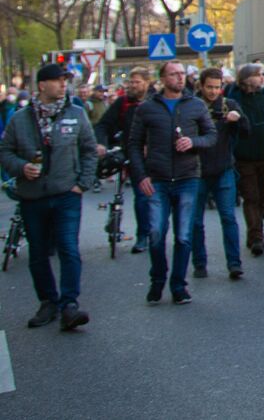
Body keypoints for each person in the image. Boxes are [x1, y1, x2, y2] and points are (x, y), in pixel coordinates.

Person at [0, 63, 97, 331]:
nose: (63, 84)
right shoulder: (20, 118)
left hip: (67, 193)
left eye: (65, 80)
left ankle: (69, 305)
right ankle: (48, 302)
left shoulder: (76, 114)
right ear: (42, 85)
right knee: (38, 253)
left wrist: (83, 183)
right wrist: (21, 167)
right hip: (32, 196)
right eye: (57, 80)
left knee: (68, 247)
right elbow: (5, 151)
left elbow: (89, 150)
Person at [128, 60, 217, 305]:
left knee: (184, 236)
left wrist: (193, 142)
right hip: (157, 178)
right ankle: (157, 280)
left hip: (188, 176)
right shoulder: (147, 108)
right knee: (156, 233)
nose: (179, 78)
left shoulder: (195, 105)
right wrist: (140, 176)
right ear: (163, 78)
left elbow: (211, 136)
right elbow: (134, 144)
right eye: (173, 74)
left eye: (181, 74)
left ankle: (179, 285)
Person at [192, 67, 247, 281]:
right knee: (196, 221)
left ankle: (234, 263)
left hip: (223, 168)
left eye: (217, 87)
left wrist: (238, 120)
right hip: (196, 171)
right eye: (209, 87)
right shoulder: (192, 106)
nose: (213, 92)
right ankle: (199, 263)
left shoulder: (229, 105)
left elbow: (246, 131)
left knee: (228, 218)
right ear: (201, 85)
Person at [228, 63, 264, 256]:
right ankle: (255, 237)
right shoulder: (234, 98)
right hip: (244, 157)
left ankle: (258, 226)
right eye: (259, 74)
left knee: (262, 195)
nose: (263, 78)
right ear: (246, 78)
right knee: (251, 197)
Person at [96, 68, 154, 251]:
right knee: (142, 196)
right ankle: (143, 236)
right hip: (134, 157)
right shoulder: (123, 103)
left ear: (147, 83)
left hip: (157, 157)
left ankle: (156, 231)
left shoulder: (157, 101)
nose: (131, 85)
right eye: (130, 82)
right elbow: (103, 125)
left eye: (136, 82)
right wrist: (101, 143)